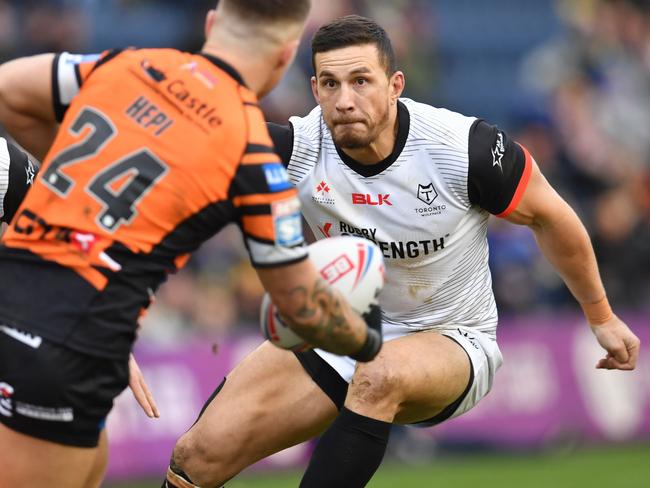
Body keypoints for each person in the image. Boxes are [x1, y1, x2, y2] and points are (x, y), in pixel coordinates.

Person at [164, 15, 641, 488]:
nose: (345, 100)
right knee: (196, 456)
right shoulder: (296, 148)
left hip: (454, 339)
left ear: (395, 85)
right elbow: (184, 176)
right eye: (330, 84)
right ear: (314, 89)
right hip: (342, 328)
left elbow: (551, 217)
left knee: (381, 374)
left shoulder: (465, 149)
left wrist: (600, 317)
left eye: (361, 81)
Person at [0, 2, 385, 486]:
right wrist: (365, 339)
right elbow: (301, 308)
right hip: (69, 345)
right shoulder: (253, 157)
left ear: (210, 25)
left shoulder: (127, 66)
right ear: (286, 58)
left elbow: (10, 92)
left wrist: (69, 187)